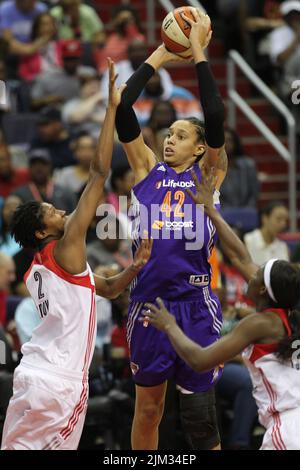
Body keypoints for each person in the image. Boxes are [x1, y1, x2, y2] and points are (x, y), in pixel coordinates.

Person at [0, 60, 153, 450]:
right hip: (61, 381)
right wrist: (111, 109)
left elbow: (104, 289)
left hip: (32, 375)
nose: (60, 210)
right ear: (41, 231)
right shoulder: (66, 244)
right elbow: (99, 173)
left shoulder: (41, 268)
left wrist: (133, 268)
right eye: (50, 211)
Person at [115, 12, 227, 450]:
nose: (168, 140)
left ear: (200, 147)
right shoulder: (146, 168)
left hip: (193, 305)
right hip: (147, 304)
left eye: (180, 135)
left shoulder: (210, 174)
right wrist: (161, 52)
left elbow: (215, 116)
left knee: (200, 420)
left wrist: (198, 49)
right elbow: (123, 107)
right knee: (148, 411)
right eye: (167, 134)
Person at [143, 169, 300, 450]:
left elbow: (201, 361)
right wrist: (211, 213)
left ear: (263, 290)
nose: (249, 273)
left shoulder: (261, 323)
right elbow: (241, 256)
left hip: (289, 429)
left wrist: (170, 326)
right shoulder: (286, 312)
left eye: (256, 274)